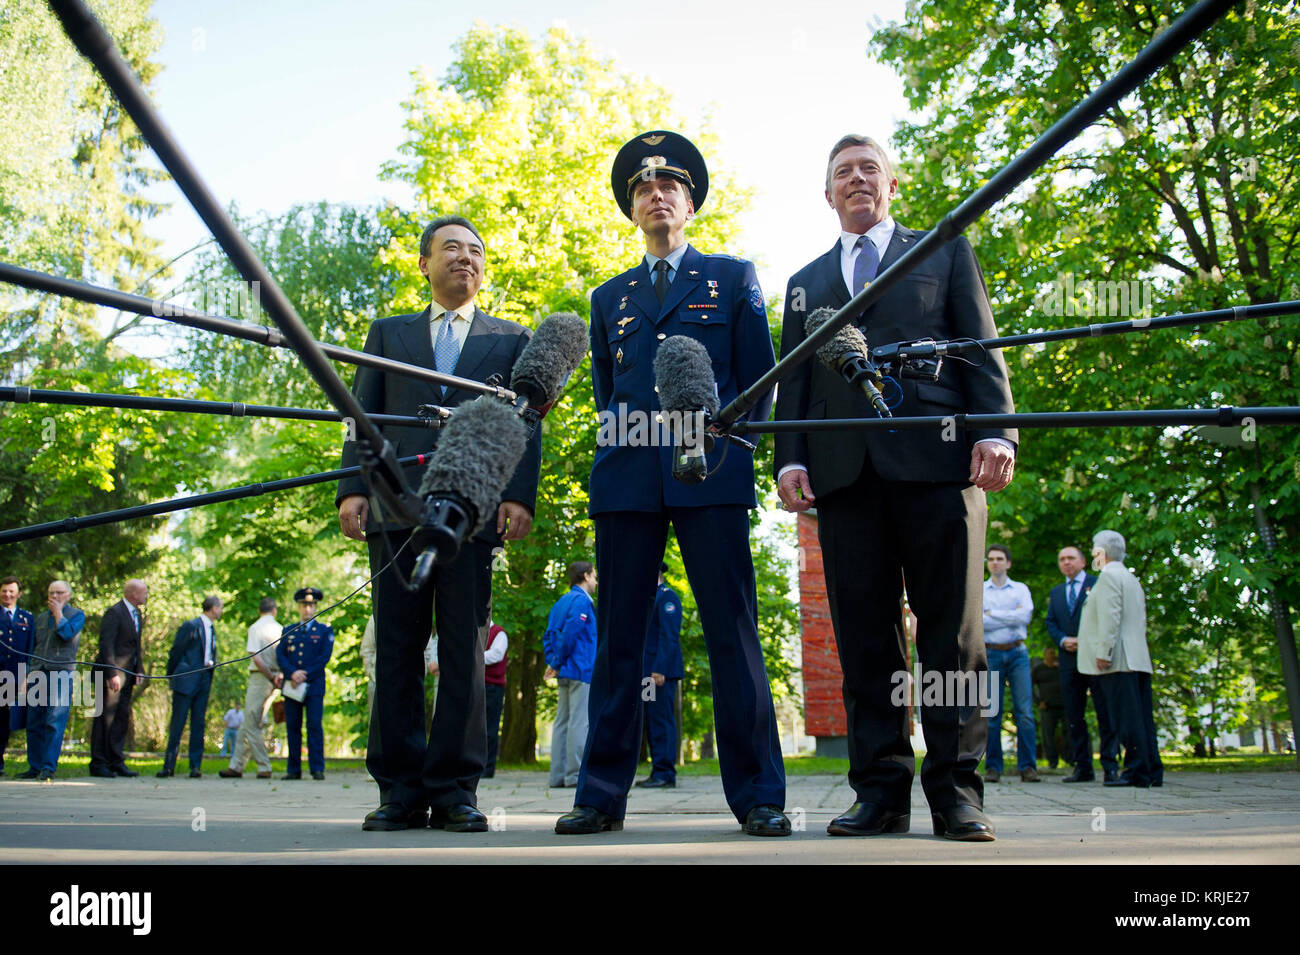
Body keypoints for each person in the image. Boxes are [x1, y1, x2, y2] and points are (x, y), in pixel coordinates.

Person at [774, 134, 1017, 841]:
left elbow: (979, 343)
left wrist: (995, 432)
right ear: (827, 194)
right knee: (865, 639)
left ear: (892, 185)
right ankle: (879, 791)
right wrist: (790, 457)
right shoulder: (803, 282)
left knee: (956, 634)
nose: (856, 179)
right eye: (842, 172)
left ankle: (957, 793)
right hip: (845, 477)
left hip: (940, 465)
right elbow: (794, 380)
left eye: (868, 169)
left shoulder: (941, 249)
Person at [556, 130, 788, 838]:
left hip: (709, 472)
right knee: (620, 638)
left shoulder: (731, 275)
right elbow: (606, 390)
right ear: (632, 209)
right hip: (627, 476)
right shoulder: (609, 297)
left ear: (690, 204)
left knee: (732, 634)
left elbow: (759, 382)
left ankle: (758, 795)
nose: (657, 196)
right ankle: (599, 794)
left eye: (670, 188)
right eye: (643, 189)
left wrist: (731, 453)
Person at [337, 215, 542, 832]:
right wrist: (352, 488)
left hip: (472, 512)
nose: (465, 257)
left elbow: (527, 424)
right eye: (451, 248)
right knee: (397, 648)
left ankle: (455, 788)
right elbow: (358, 414)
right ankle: (399, 789)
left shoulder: (512, 340)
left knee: (463, 650)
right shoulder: (386, 333)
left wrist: (518, 497)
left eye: (476, 251)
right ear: (424, 264)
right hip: (394, 510)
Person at [1077, 531, 1163, 788]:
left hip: (1118, 659)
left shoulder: (1109, 577)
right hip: (1137, 657)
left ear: (1101, 553)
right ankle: (1152, 770)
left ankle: (1135, 772)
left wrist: (1104, 652)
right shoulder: (1130, 578)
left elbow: (1110, 616)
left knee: (1126, 719)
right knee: (1143, 719)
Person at [1045, 545, 1118, 783]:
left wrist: (1086, 640)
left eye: (1071, 558)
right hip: (1068, 660)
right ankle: (1083, 767)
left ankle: (1110, 766)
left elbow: (1105, 616)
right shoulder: (1056, 593)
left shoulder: (1098, 584)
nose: (1066, 562)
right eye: (1062, 559)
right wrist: (1063, 640)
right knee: (1074, 714)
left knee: (1104, 710)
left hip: (1095, 658)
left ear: (1083, 561)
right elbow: (1051, 621)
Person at [981, 545, 1038, 783]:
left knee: (1024, 713)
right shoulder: (980, 590)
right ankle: (993, 768)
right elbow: (979, 622)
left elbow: (1025, 617)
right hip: (991, 653)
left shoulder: (1021, 589)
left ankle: (1028, 768)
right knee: (991, 714)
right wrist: (1009, 616)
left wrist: (992, 614)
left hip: (1017, 654)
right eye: (991, 559)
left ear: (1008, 563)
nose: (995, 563)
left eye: (1000, 559)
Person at [21, 580, 86, 780]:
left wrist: (59, 614)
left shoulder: (76, 615)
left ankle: (48, 767)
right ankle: (35, 766)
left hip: (61, 673)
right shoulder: (39, 618)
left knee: (54, 720)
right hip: (37, 672)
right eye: (51, 593)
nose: (55, 597)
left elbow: (67, 634)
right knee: (34, 721)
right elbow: (33, 647)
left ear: (68, 595)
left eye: (59, 593)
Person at [544, 562, 597, 789]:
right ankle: (574, 775)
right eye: (594, 576)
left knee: (562, 722)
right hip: (579, 668)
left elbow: (549, 634)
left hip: (564, 668)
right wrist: (558, 661)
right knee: (578, 722)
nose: (596, 581)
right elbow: (573, 631)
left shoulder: (561, 602)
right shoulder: (582, 602)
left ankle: (558, 776)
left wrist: (554, 663)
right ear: (585, 576)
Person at [89, 579, 148, 778]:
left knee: (121, 718)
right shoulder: (114, 613)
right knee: (105, 718)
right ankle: (99, 762)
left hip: (128, 676)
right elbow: (106, 645)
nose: (146, 596)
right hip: (110, 676)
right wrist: (111, 673)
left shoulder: (137, 614)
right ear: (133, 594)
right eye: (144, 592)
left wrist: (139, 669)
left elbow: (135, 646)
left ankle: (116, 760)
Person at [158, 595, 222, 778]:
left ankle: (195, 766)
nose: (221, 611)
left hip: (204, 680)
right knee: (178, 722)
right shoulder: (191, 626)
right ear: (213, 607)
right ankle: (168, 765)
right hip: (186, 680)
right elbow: (177, 650)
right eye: (220, 607)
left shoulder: (212, 629)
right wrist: (172, 674)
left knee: (199, 723)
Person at [220, 597, 283, 779]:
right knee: (250, 723)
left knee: (251, 723)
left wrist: (269, 676)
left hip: (260, 678)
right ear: (274, 610)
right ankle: (237, 765)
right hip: (275, 679)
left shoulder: (256, 628)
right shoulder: (279, 628)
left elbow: (256, 657)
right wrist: (277, 677)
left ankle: (264, 765)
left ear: (259, 611)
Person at [276, 587, 334, 780]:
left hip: (314, 686)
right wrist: (292, 673)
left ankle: (317, 768)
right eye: (303, 605)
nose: (307, 609)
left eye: (310, 605)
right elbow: (280, 654)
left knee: (314, 725)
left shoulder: (324, 630)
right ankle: (293, 769)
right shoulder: (288, 630)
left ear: (316, 607)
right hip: (292, 685)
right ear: (298, 607)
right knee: (293, 725)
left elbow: (324, 657)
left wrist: (305, 674)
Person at [636, 562, 683, 789]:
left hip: (659, 673)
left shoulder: (667, 597)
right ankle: (658, 769)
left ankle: (665, 773)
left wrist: (660, 668)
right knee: (652, 720)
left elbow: (669, 636)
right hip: (648, 673)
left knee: (661, 719)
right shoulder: (649, 597)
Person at [0, 576, 34, 775]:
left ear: (18, 594)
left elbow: (29, 650)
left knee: (5, 721)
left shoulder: (26, 618)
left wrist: (26, 676)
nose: (7, 594)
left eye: (11, 591)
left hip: (14, 678)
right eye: (4, 590)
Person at [1031, 647, 1067, 770]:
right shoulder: (1038, 670)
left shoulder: (1060, 668)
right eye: (1050, 653)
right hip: (1047, 707)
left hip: (1064, 705)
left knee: (1068, 731)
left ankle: (1070, 758)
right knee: (1048, 735)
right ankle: (1052, 760)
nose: (1052, 655)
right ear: (1044, 655)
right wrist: (1038, 702)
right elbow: (1029, 686)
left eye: (1054, 653)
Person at [482, 618, 508, 779]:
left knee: (490, 729)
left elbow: (496, 655)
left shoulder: (499, 633)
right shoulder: (475, 634)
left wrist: (474, 655)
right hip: (478, 686)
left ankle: (488, 767)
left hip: (493, 687)